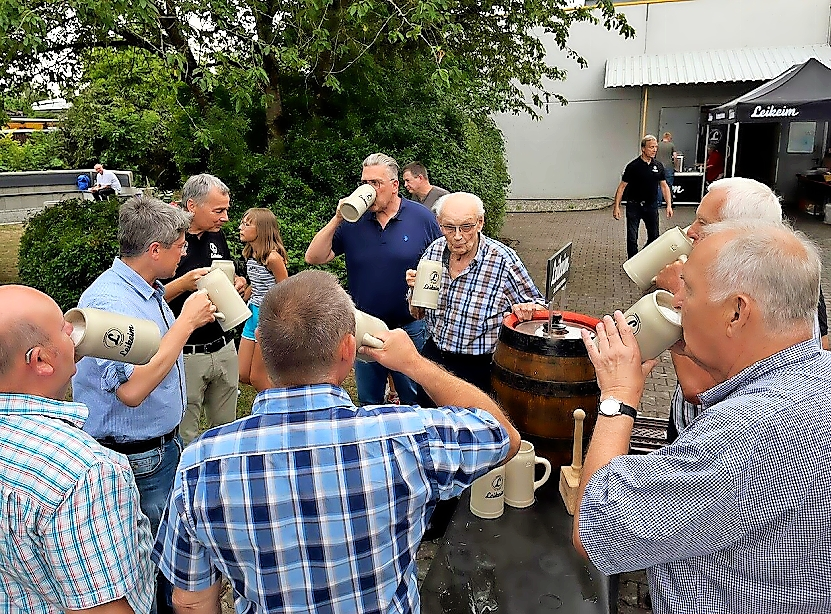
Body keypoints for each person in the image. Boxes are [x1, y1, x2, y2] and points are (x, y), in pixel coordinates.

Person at [152, 269, 520, 614]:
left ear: (262, 345)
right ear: (348, 349)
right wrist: (414, 364)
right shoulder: (407, 437)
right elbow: (504, 434)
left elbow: (191, 600)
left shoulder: (200, 464)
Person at [573, 220, 831, 614]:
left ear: (736, 312)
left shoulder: (744, 430)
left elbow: (595, 530)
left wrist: (618, 398)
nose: (677, 304)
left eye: (688, 291)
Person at [72, 196, 217, 613]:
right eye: (178, 245)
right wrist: (186, 323)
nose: (185, 251)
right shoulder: (109, 305)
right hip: (139, 459)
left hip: (159, 450)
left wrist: (185, 300)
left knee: (166, 556)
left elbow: (151, 344)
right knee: (154, 564)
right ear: (154, 250)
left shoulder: (143, 289)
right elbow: (132, 392)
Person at [0, 285, 155, 614]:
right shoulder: (85, 472)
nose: (71, 329)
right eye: (61, 327)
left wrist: (60, 355)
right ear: (40, 360)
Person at [654, 177, 829, 441]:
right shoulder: (793, 280)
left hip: (707, 440)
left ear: (741, 232)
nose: (691, 230)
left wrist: (673, 299)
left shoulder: (744, 293)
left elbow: (697, 389)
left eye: (704, 223)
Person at [305, 152, 442, 406]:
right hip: (364, 328)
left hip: (409, 327)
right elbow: (314, 257)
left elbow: (440, 263)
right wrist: (338, 217)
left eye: (376, 183)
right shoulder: (352, 221)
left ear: (394, 186)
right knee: (369, 400)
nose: (369, 189)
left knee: (415, 399)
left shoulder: (421, 218)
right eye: (364, 183)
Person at [406, 192, 544, 396]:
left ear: (480, 223)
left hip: (479, 369)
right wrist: (414, 291)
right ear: (439, 224)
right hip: (434, 358)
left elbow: (539, 307)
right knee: (431, 422)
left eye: (466, 227)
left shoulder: (503, 260)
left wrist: (528, 310)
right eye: (449, 227)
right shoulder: (434, 251)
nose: (458, 236)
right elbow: (417, 314)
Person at [164, 173, 248, 445]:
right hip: (186, 353)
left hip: (224, 345)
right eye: (218, 210)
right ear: (191, 206)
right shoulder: (165, 239)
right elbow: (147, 298)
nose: (225, 218)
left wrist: (238, 282)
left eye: (226, 210)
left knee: (226, 431)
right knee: (185, 432)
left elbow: (225, 270)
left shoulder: (216, 235)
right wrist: (183, 285)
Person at [238, 207, 289, 385]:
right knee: (243, 374)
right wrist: (239, 299)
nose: (240, 227)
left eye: (247, 224)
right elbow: (256, 284)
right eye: (242, 223)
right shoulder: (251, 255)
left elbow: (285, 289)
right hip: (252, 313)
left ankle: (275, 407)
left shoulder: (273, 258)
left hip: (268, 316)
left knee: (257, 377)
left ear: (262, 230)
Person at [612, 135, 674, 259]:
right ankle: (632, 260)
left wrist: (669, 205)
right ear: (643, 149)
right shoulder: (633, 166)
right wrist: (616, 207)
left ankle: (642, 258)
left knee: (654, 236)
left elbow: (664, 186)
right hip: (634, 205)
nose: (654, 150)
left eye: (656, 147)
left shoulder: (658, 166)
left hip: (651, 206)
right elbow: (622, 187)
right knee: (632, 236)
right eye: (651, 147)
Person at [655, 132, 676, 206]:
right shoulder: (671, 145)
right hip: (668, 167)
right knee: (669, 185)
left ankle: (658, 202)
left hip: (658, 167)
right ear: (669, 137)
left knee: (658, 185)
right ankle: (669, 203)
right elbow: (675, 156)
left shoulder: (657, 145)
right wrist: (675, 165)